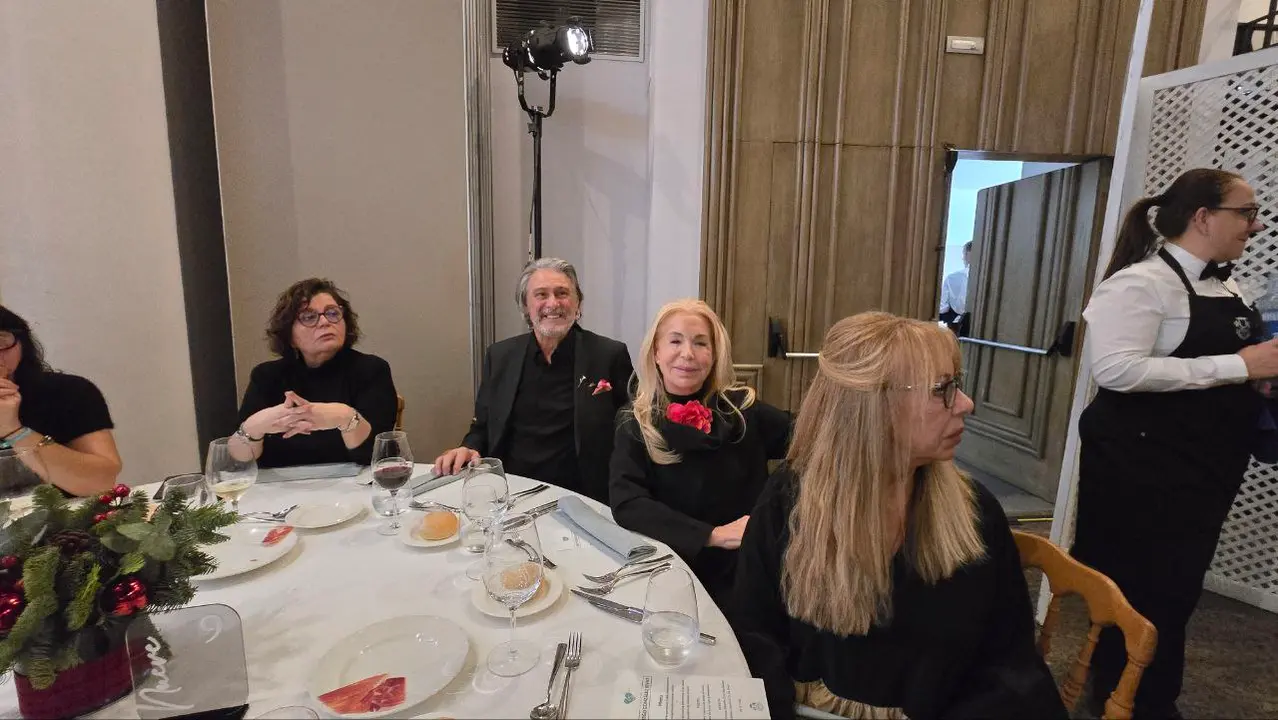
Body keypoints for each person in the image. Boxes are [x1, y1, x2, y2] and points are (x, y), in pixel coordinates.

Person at [732, 312, 1064, 720]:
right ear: (873, 407)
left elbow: (1008, 663)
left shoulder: (977, 514)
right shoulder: (789, 502)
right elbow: (755, 637)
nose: (966, 404)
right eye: (943, 389)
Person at [1072, 168, 1273, 718]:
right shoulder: (1139, 285)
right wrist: (1236, 365)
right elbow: (1116, 371)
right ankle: (1125, 699)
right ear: (1203, 217)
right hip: (1143, 470)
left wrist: (1255, 376)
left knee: (1177, 592)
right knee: (1138, 590)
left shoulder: (1226, 285)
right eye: (1246, 212)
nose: (1254, 225)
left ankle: (1153, 696)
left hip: (1203, 471)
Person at [609, 299, 790, 601]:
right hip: (674, 569)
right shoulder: (634, 421)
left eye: (700, 343)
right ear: (656, 352)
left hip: (746, 571)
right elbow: (628, 503)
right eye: (675, 341)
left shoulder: (742, 409)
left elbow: (808, 438)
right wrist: (712, 536)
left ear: (714, 354)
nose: (687, 354)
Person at [433, 258, 633, 502]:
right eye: (541, 294)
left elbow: (631, 428)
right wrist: (468, 448)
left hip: (583, 494)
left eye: (562, 293)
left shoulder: (608, 355)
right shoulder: (500, 356)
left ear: (577, 302)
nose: (553, 303)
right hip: (512, 490)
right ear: (525, 306)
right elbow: (482, 426)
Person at [232, 279, 398, 467]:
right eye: (309, 317)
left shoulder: (371, 370)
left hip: (352, 490)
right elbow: (235, 463)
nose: (325, 322)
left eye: (333, 313)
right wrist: (255, 426)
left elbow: (379, 456)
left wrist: (344, 416)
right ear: (289, 335)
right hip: (279, 491)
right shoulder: (266, 376)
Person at [0, 306, 122, 497]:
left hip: (67, 522)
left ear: (21, 343)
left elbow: (101, 481)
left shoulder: (68, 392)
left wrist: (14, 431)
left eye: (1, 342)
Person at [938, 241, 971, 336]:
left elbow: (943, 308)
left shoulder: (952, 278)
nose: (962, 258)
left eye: (963, 254)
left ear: (968, 254)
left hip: (957, 328)